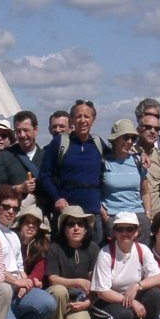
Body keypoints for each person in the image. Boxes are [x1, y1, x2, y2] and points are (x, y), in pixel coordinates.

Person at [0, 185, 56, 319]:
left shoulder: (13, 235)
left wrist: (25, 283)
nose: (10, 211)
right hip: (0, 291)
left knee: (48, 303)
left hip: (15, 291)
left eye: (15, 208)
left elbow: (20, 267)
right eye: (6, 207)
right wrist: (16, 282)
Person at [89, 212, 160, 319]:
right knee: (125, 314)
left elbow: (158, 278)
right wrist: (131, 301)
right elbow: (102, 292)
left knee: (154, 294)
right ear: (114, 232)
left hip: (129, 297)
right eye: (120, 229)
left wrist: (137, 286)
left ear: (136, 232)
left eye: (129, 229)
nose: (125, 233)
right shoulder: (105, 253)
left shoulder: (143, 250)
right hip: (108, 301)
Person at [39, 99, 106, 244]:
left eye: (86, 116)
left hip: (92, 212)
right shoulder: (60, 143)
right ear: (72, 120)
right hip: (67, 211)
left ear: (93, 120)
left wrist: (140, 152)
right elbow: (44, 175)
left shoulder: (98, 143)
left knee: (94, 257)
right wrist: (57, 197)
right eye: (78, 116)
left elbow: (119, 154)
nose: (82, 120)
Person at [44, 205, 98, 319]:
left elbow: (95, 282)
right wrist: (79, 282)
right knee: (59, 290)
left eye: (80, 224)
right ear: (64, 228)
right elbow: (52, 278)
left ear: (86, 229)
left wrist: (88, 302)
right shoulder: (55, 248)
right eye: (71, 224)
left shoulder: (93, 248)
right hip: (59, 299)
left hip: (81, 299)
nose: (76, 228)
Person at [101, 118, 151, 242]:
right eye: (125, 137)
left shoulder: (138, 161)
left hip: (137, 216)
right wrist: (105, 217)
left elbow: (145, 191)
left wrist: (147, 215)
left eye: (133, 138)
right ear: (115, 139)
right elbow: (95, 191)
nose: (129, 142)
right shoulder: (104, 162)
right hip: (113, 216)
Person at [0, 110, 45, 203]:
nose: (22, 135)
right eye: (18, 131)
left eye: (26, 130)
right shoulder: (4, 157)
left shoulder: (46, 157)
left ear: (35, 130)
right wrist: (18, 189)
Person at [136, 112, 160, 219]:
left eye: (157, 129)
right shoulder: (128, 154)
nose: (153, 132)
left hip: (156, 218)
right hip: (133, 217)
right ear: (138, 129)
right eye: (148, 127)